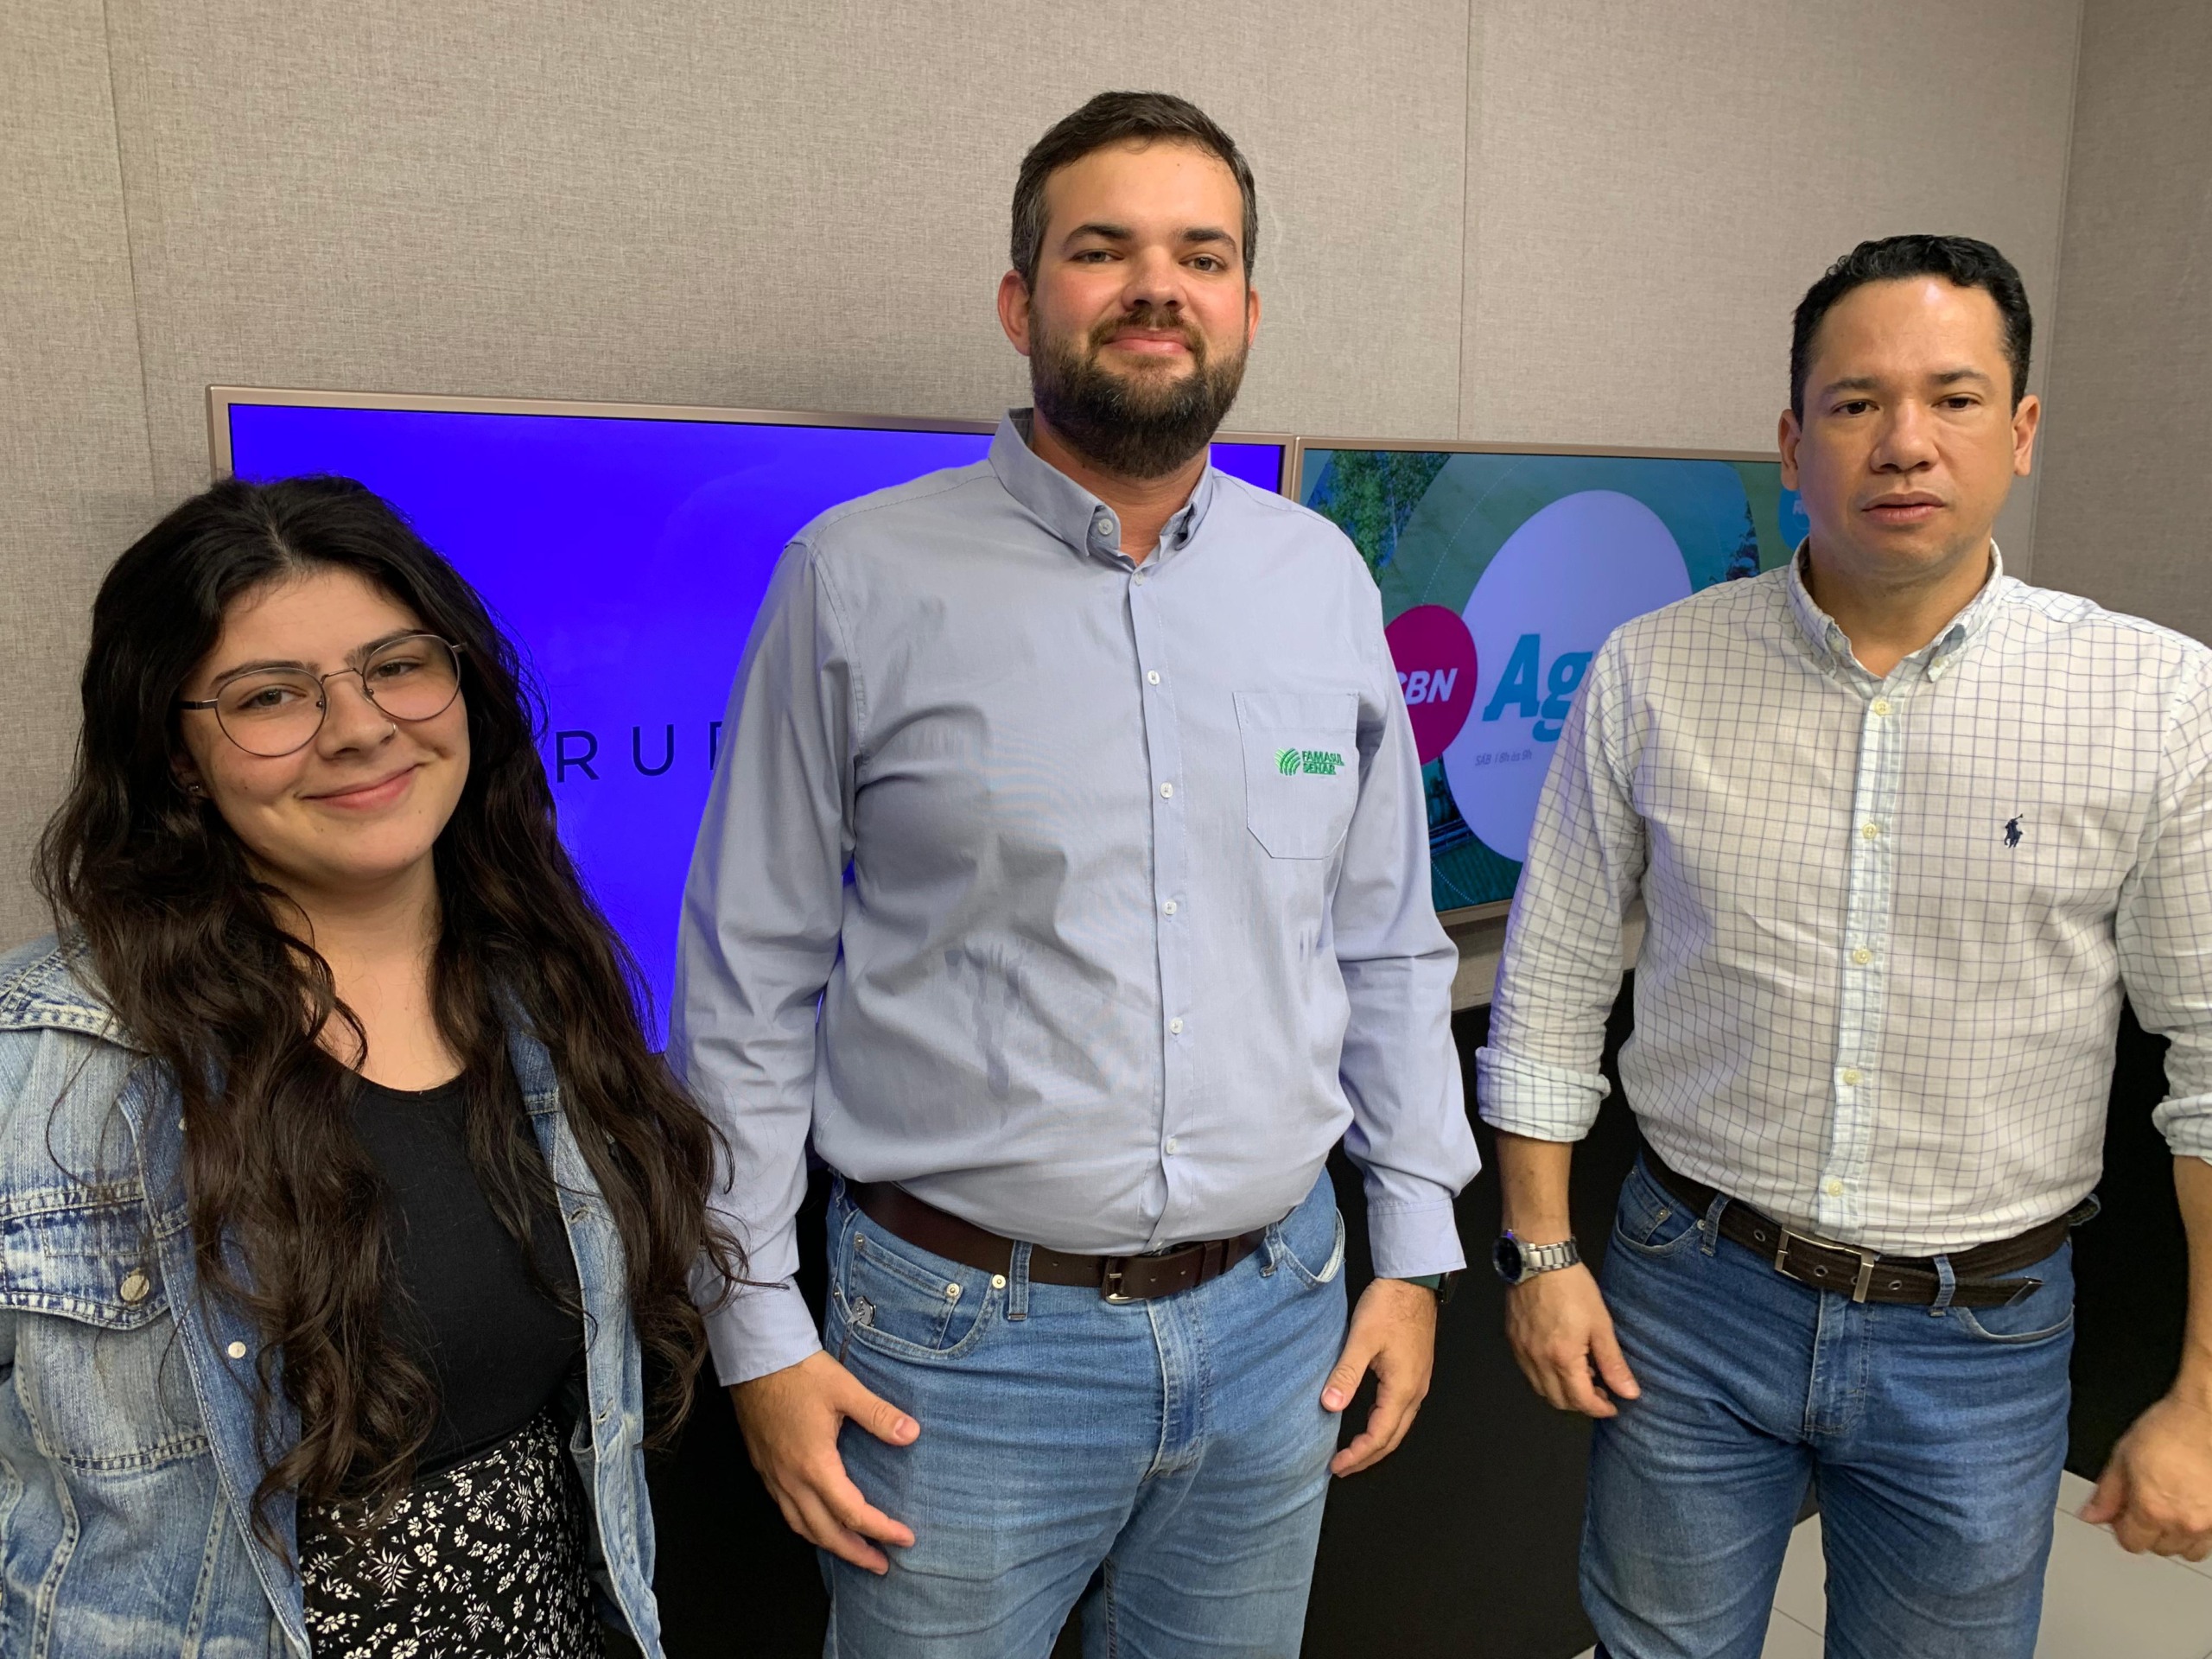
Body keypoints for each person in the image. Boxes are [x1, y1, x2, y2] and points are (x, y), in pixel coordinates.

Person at [675, 90, 1479, 1656]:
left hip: (1283, 1317)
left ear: (1245, 303)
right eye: (1101, 249)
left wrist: (1415, 1254)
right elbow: (749, 979)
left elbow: (1381, 944)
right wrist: (755, 1326)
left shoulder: (1318, 578)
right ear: (1021, 299)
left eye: (1201, 252)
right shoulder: (856, 576)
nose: (1155, 286)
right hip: (961, 1350)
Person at [1478, 232, 2212, 1658]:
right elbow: (1555, 987)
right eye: (1857, 402)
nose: (1904, 443)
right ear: (1792, 440)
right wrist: (1538, 1252)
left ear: (2023, 429)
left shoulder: (2159, 699)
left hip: (1982, 1333)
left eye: (1953, 397)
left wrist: (2205, 1393)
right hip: (1687, 1295)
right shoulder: (1652, 669)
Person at [0, 476, 740, 1657]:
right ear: (177, 757)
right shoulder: (46, 1067)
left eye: (396, 665)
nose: (357, 727)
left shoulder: (540, 988)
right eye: (269, 697)